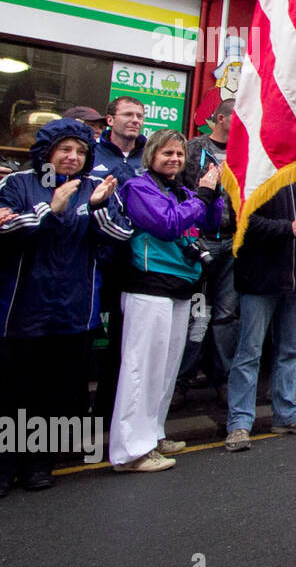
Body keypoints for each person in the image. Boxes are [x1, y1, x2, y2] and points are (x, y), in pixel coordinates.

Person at [0, 118, 131, 494]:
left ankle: (39, 463)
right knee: (12, 391)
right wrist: (50, 211)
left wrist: (95, 208)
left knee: (55, 393)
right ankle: (4, 464)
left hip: (74, 311)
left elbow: (122, 234)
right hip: (21, 310)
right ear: (47, 152)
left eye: (80, 151)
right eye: (65, 150)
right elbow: (5, 230)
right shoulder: (18, 183)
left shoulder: (96, 187)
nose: (73, 157)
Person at [110, 130, 224, 472]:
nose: (174, 159)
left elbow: (212, 222)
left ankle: (153, 436)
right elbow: (167, 224)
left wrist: (214, 191)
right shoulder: (139, 188)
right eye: (167, 153)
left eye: (179, 154)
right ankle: (130, 451)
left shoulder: (182, 191)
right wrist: (202, 195)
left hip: (179, 287)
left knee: (165, 370)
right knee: (140, 370)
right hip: (148, 287)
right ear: (151, 157)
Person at [223, 176, 296, 451]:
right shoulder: (255, 172)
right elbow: (243, 221)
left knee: (289, 351)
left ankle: (286, 412)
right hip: (260, 279)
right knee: (249, 352)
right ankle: (239, 422)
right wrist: (289, 228)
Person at [90, 96, 148, 431]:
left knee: (125, 345)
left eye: (140, 116)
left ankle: (110, 417)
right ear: (110, 120)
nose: (135, 120)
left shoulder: (148, 156)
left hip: (138, 265)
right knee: (88, 338)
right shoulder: (92, 155)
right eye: (128, 114)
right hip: (97, 262)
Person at [176, 99, 239, 397]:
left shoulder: (246, 153)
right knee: (197, 314)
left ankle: (222, 378)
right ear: (222, 118)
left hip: (233, 242)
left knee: (227, 313)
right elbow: (176, 190)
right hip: (200, 240)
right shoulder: (193, 148)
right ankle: (181, 380)